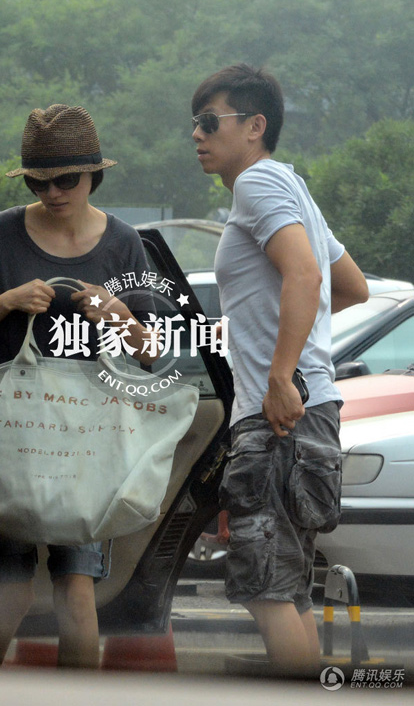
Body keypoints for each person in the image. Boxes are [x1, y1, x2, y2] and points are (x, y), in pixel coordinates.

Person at [0, 104, 156, 668]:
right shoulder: (0, 232)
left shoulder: (122, 243)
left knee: (77, 592)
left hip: (85, 438)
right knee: (9, 591)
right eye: (39, 182)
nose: (53, 192)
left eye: (66, 179)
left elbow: (150, 349)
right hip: (10, 433)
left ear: (93, 175)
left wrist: (115, 313)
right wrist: (8, 301)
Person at [191, 64, 369, 676]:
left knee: (267, 592)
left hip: (280, 417)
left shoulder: (257, 183)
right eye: (195, 124)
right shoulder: (291, 185)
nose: (197, 134)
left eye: (210, 121)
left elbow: (306, 274)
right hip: (314, 410)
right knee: (288, 590)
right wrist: (261, 336)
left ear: (255, 126)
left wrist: (278, 374)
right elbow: (351, 286)